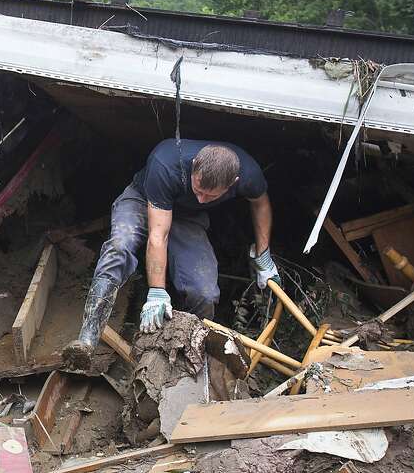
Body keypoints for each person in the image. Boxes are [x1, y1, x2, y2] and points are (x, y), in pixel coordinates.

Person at [65, 139, 279, 360]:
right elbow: (158, 235)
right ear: (194, 164)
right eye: (198, 189)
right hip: (142, 198)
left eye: (211, 196)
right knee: (119, 247)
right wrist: (157, 292)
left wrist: (263, 255)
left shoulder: (248, 174)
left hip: (186, 216)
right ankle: (87, 338)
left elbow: (260, 203)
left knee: (204, 293)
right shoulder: (166, 163)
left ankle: (188, 355)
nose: (202, 198)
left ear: (234, 182)